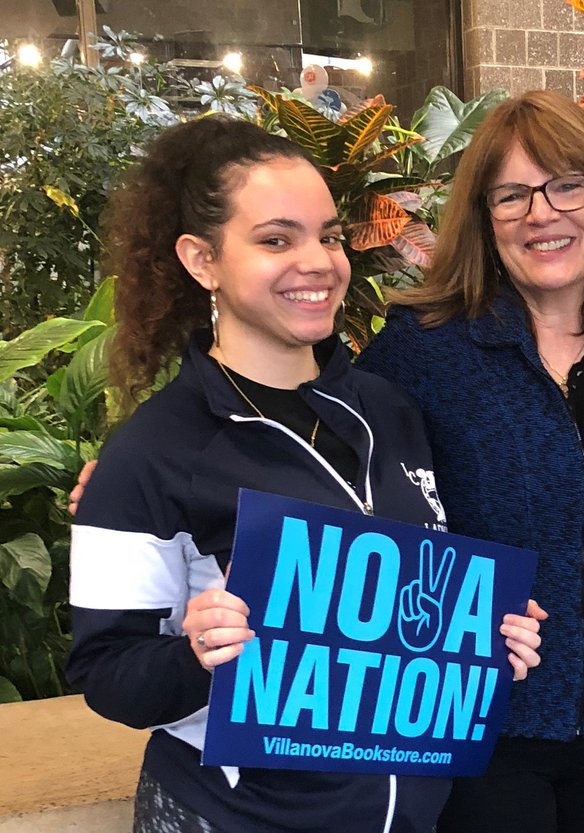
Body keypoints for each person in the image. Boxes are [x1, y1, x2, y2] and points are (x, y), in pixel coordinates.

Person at [66, 116, 544, 833]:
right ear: (202, 260)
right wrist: (198, 655)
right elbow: (106, 674)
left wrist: (482, 637)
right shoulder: (152, 451)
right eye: (275, 239)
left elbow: (405, 609)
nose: (318, 261)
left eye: (329, 236)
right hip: (233, 816)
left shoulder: (391, 410)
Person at [355, 90, 584, 833]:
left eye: (566, 184)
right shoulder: (421, 352)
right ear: (484, 218)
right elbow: (336, 494)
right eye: (511, 195)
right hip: (474, 726)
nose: (542, 214)